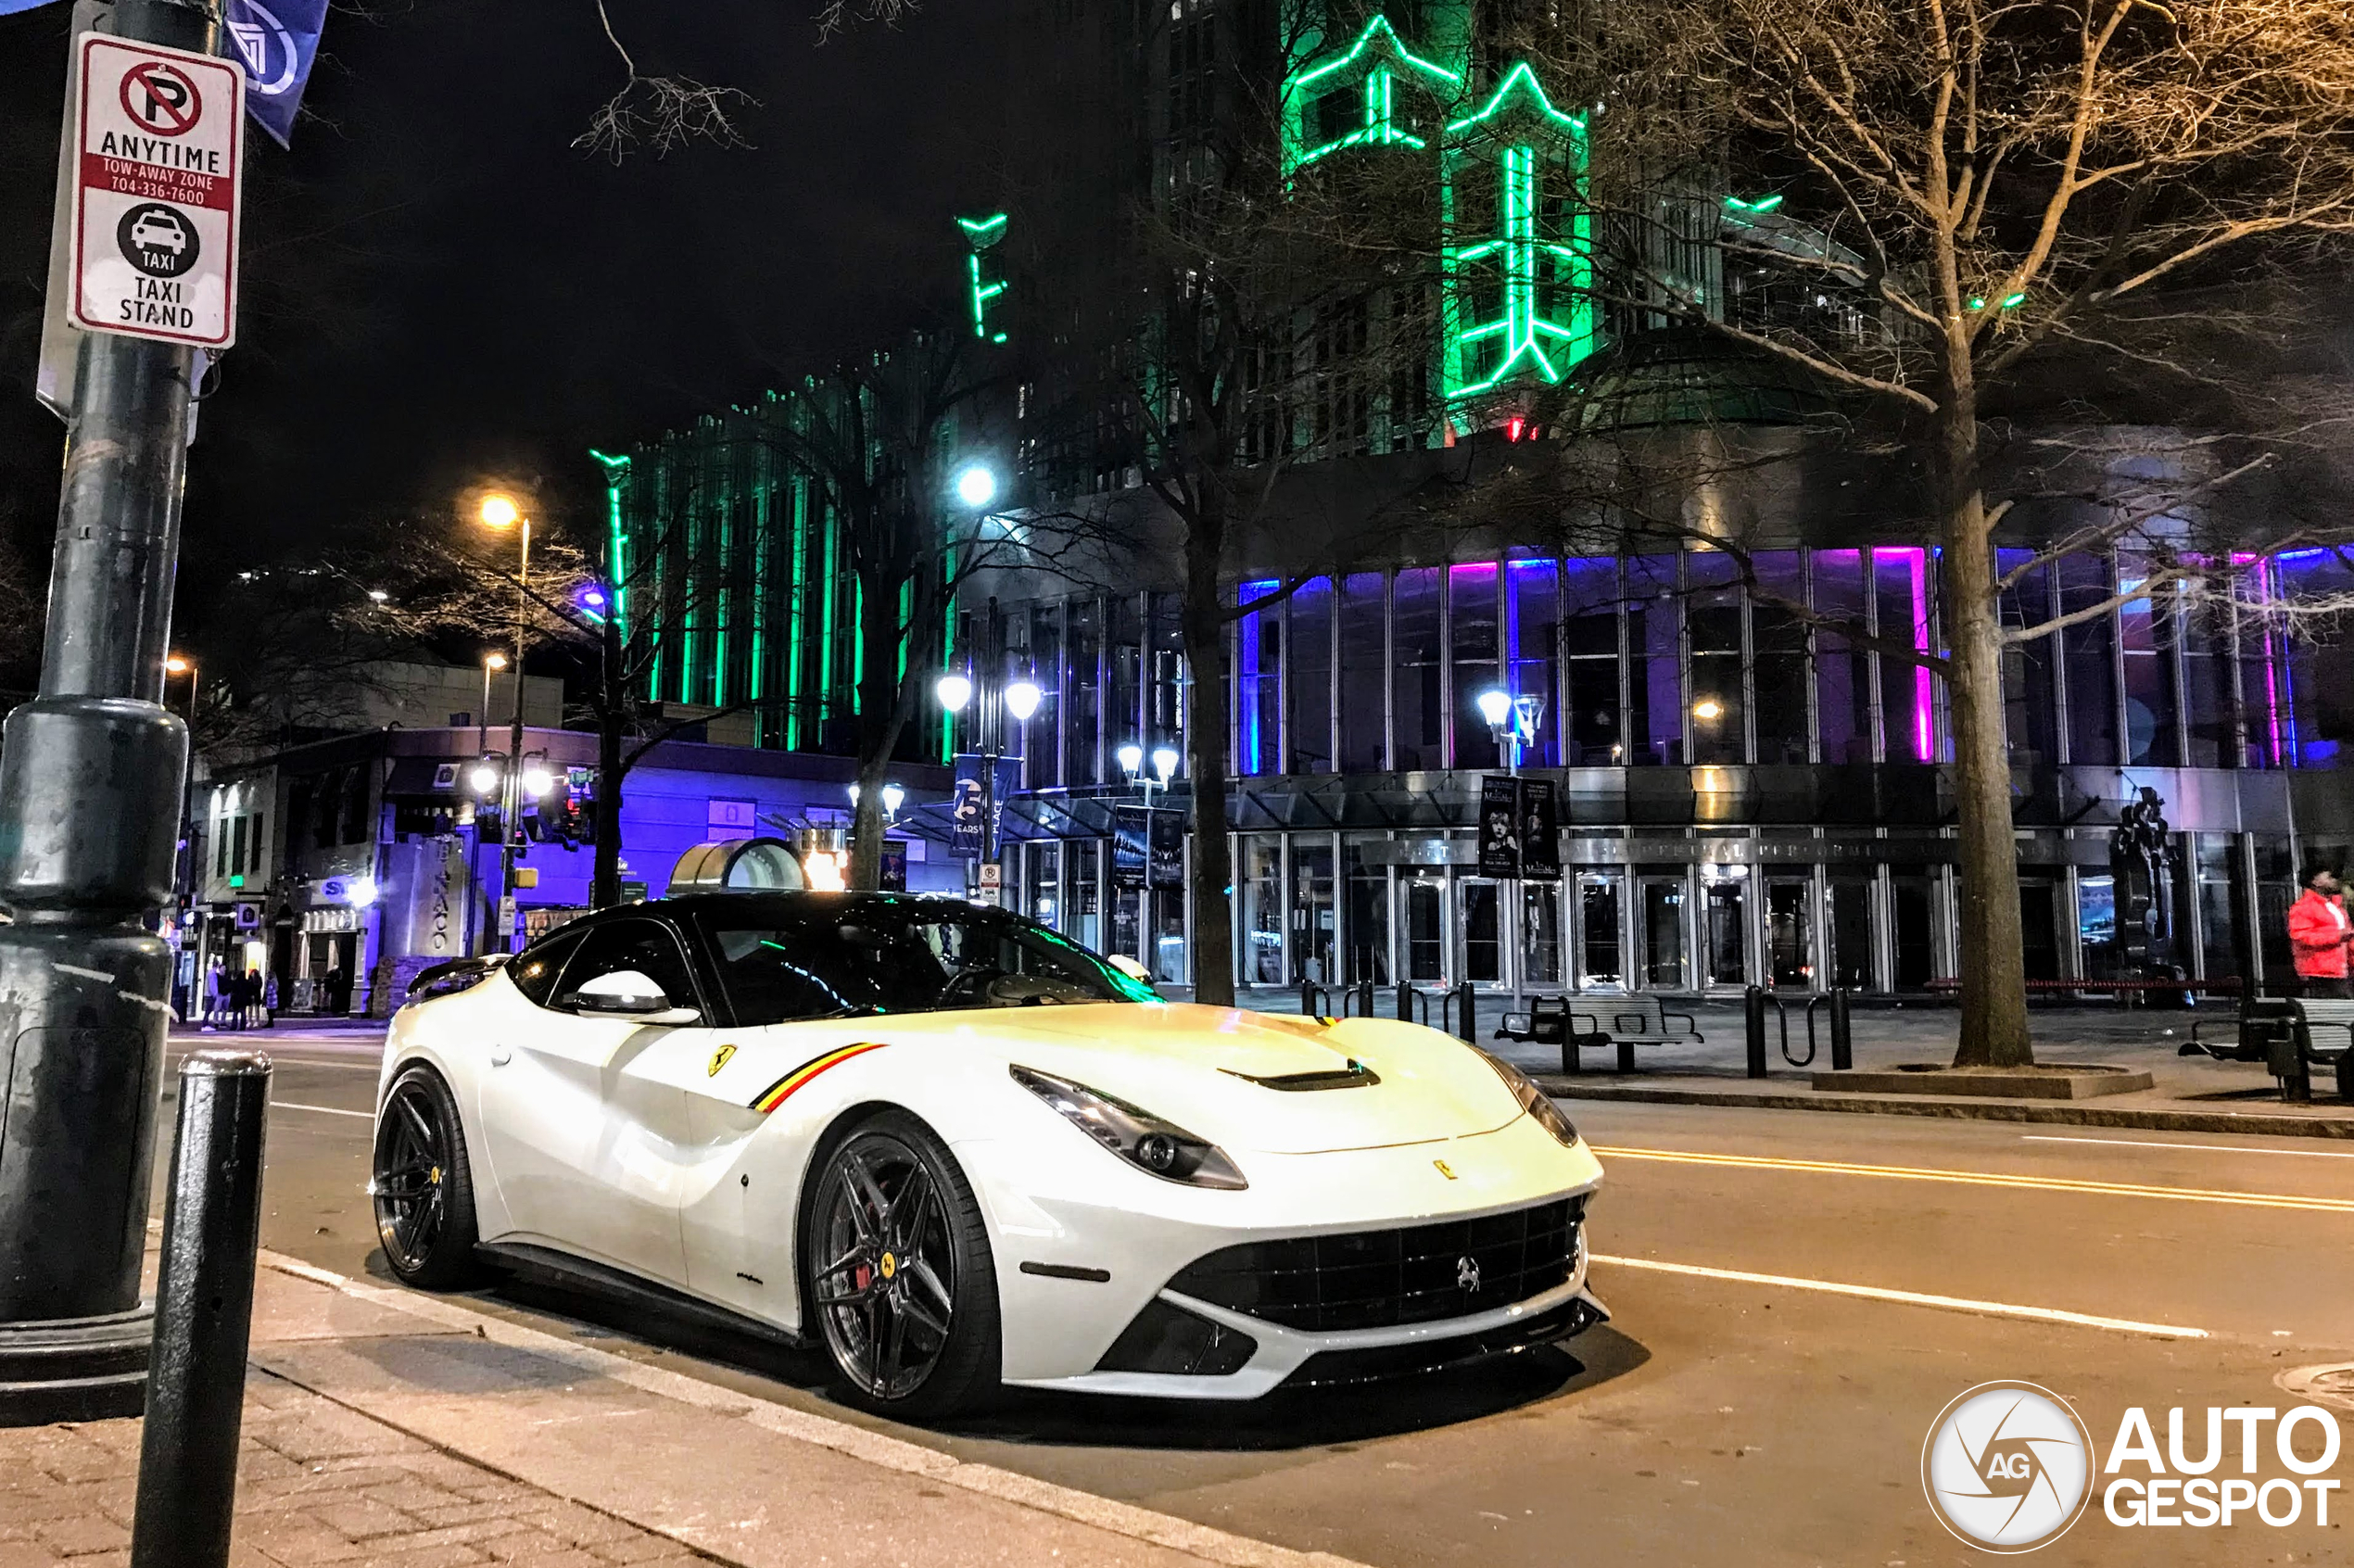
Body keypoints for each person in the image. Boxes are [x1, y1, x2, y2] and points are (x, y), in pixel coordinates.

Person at [2286, 866, 2354, 998]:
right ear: (2315, 881)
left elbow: (2348, 939)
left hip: (2340, 971)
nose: (2334, 881)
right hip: (2318, 973)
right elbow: (2302, 937)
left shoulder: (2335, 907)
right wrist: (2338, 936)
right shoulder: (2303, 907)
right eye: (2329, 877)